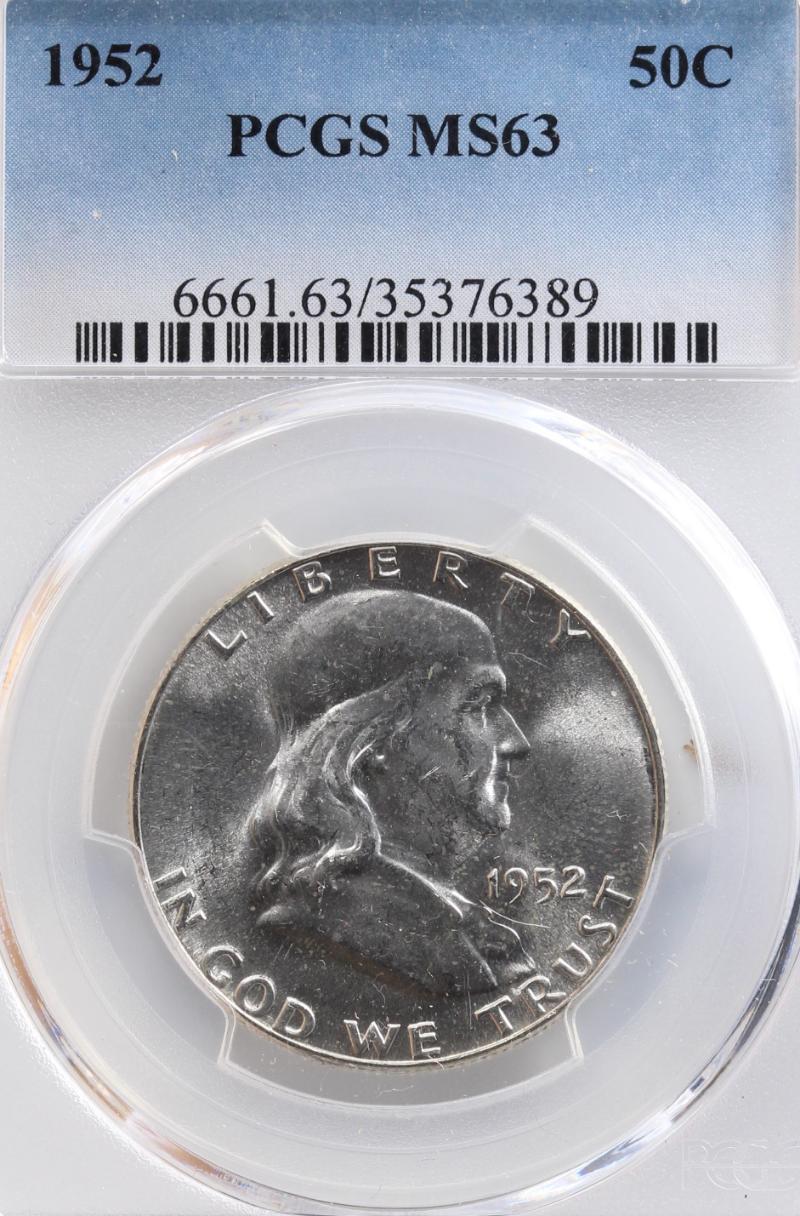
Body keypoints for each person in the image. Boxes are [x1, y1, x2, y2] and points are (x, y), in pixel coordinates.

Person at [248, 589, 534, 995]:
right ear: (374, 742)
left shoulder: (459, 923)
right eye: (478, 705)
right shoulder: (337, 921)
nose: (516, 742)